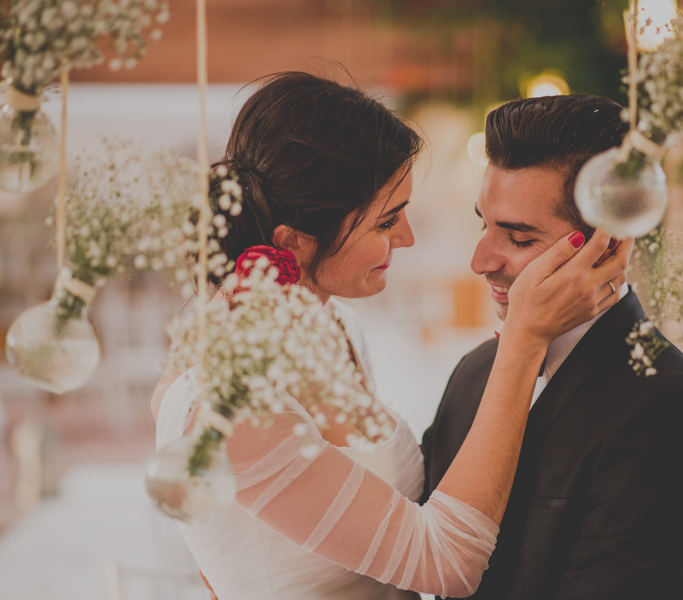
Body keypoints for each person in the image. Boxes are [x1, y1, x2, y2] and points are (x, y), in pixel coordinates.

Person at [151, 73, 631, 600]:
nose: (407, 237)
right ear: (295, 243)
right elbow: (446, 563)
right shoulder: (225, 403)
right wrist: (524, 337)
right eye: (386, 222)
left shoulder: (337, 328)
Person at [420, 94, 683, 600]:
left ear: (606, 244)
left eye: (519, 239)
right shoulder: (473, 373)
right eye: (485, 224)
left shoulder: (673, 410)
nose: (479, 261)